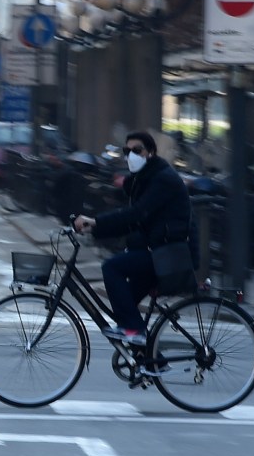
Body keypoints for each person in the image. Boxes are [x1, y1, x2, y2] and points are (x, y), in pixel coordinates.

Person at [72, 130, 193, 347]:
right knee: (125, 307)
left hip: (167, 253)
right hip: (154, 249)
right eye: (127, 151)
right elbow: (132, 223)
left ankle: (136, 331)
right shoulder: (143, 179)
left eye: (137, 150)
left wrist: (96, 221)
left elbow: (136, 214)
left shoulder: (162, 179)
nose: (131, 155)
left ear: (151, 152)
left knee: (112, 268)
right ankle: (149, 358)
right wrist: (93, 229)